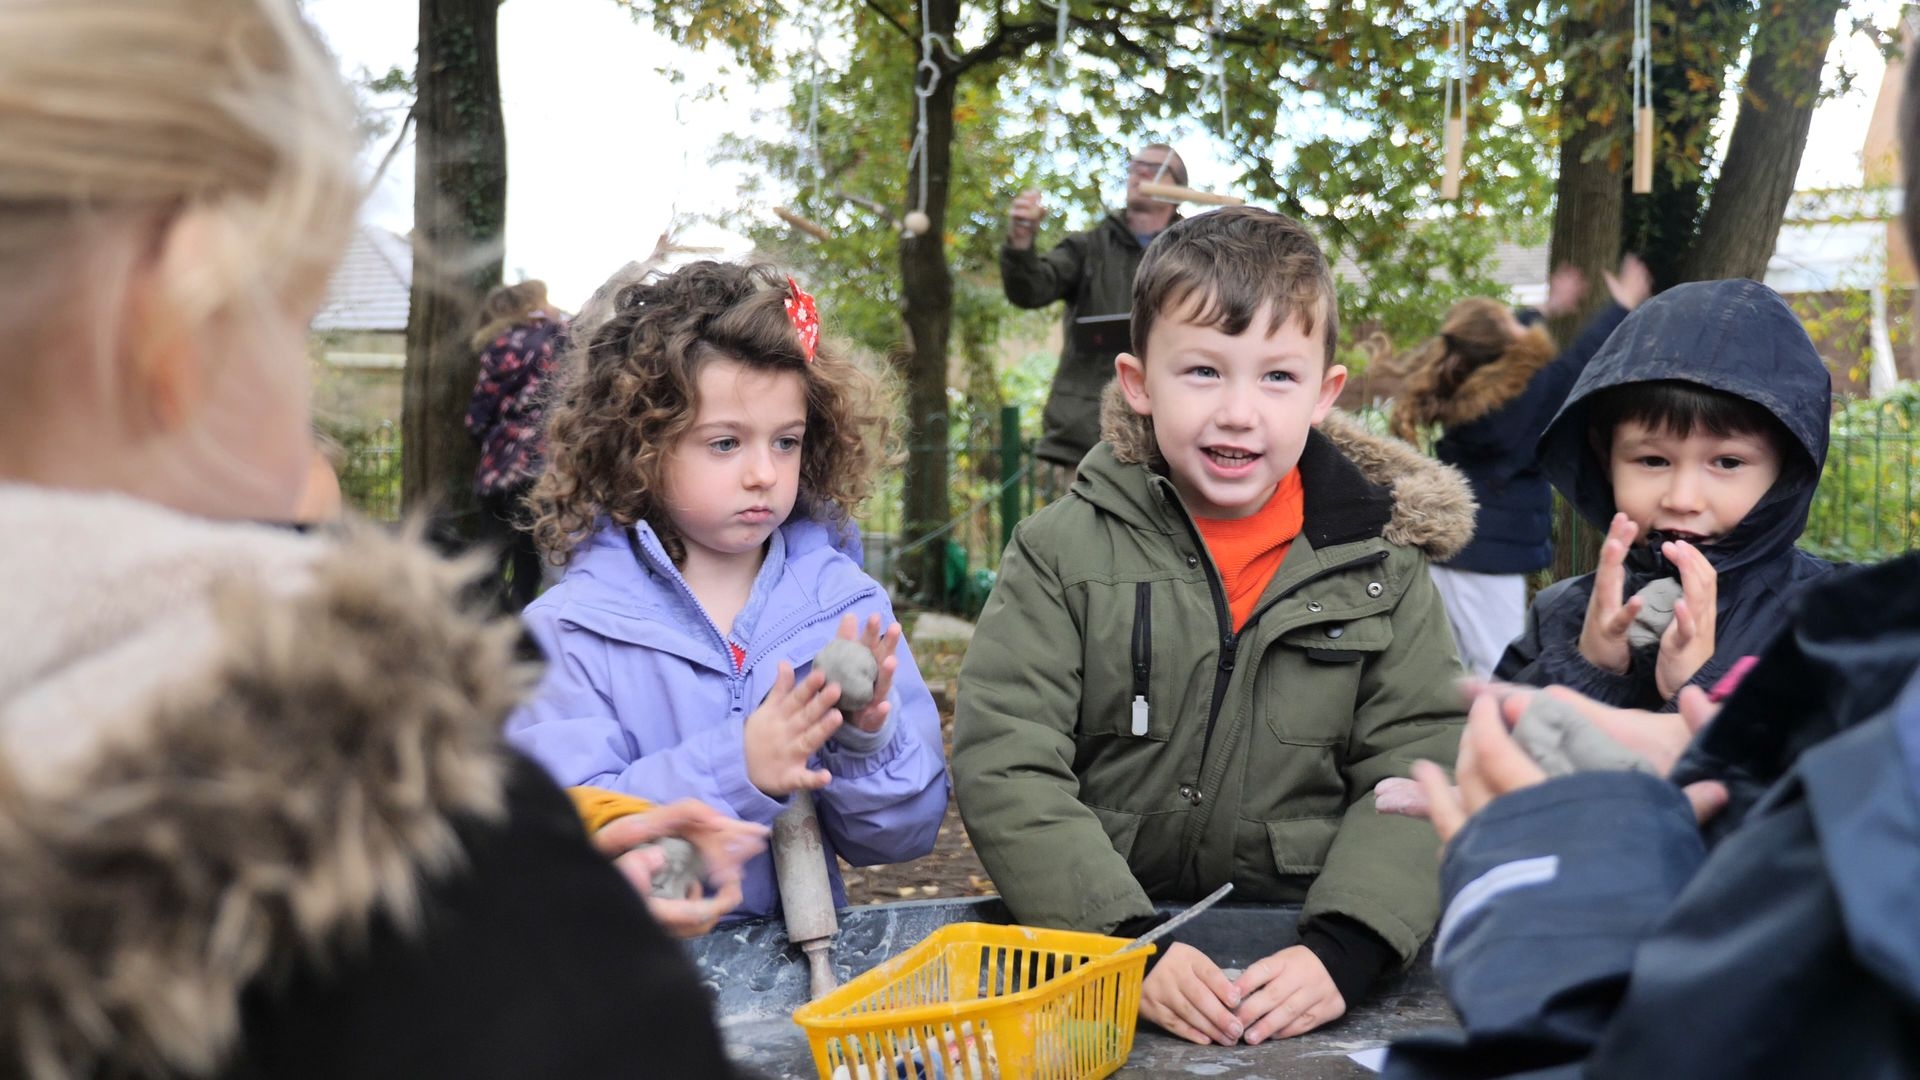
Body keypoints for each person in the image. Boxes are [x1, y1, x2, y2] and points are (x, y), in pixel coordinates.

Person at [0, 1, 753, 1076]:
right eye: (294, 324)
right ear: (181, 312)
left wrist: (577, 837)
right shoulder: (406, 838)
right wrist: (546, 903)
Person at [955, 206, 1473, 1047]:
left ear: (1325, 394)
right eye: (1202, 371)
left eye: (1277, 377)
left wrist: (1350, 947)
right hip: (1096, 952)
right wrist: (1122, 945)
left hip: (1299, 959)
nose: (1238, 412)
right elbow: (1006, 760)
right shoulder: (1059, 552)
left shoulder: (1382, 565)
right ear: (1138, 383)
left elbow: (1419, 763)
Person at [508, 260, 949, 923]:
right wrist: (738, 769)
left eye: (786, 441)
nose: (763, 473)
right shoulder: (569, 631)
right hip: (640, 969)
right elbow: (561, 840)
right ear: (640, 444)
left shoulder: (844, 606)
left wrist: (866, 740)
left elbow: (900, 837)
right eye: (724, 443)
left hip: (802, 974)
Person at [1493, 277, 1836, 708]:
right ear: (1605, 458)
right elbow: (1490, 744)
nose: (1682, 499)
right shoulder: (1561, 614)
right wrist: (1587, 669)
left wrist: (1694, 695)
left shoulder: (1832, 621)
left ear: (1786, 471)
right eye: (1653, 460)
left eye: (1727, 463)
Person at [1391, 257, 1653, 676]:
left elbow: (1497, 340)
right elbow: (1579, 362)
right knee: (1497, 668)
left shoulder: (1466, 390)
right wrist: (1620, 305)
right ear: (1504, 343)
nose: (1520, 322)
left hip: (1453, 548)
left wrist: (1547, 307)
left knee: (1448, 665)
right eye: (1510, 320)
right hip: (1490, 562)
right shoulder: (1527, 395)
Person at [1002, 143, 1187, 486]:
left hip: (1171, 433)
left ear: (1178, 189)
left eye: (1155, 168)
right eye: (1135, 165)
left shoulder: (1193, 254)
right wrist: (1020, 242)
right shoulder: (1087, 248)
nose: (1140, 172)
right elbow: (1029, 291)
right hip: (1087, 434)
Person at [466, 278, 563, 612]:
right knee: (528, 557)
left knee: (491, 554)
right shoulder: (562, 339)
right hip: (541, 465)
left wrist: (490, 440)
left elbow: (478, 414)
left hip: (499, 465)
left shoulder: (502, 343)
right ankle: (522, 622)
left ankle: (482, 619)